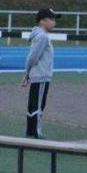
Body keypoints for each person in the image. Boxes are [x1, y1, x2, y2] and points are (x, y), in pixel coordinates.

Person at [22, 8, 58, 138]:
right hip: (41, 75)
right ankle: (36, 131)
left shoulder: (40, 35)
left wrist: (28, 73)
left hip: (38, 75)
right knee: (38, 105)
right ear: (43, 21)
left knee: (34, 103)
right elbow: (33, 57)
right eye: (51, 19)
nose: (54, 22)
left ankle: (30, 131)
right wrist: (27, 73)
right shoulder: (42, 36)